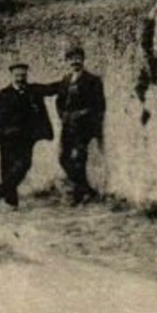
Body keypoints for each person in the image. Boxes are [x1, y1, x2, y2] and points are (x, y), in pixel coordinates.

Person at [0, 61, 53, 211]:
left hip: (26, 138)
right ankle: (11, 202)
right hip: (8, 138)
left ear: (26, 75)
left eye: (23, 75)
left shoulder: (33, 90)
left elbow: (52, 89)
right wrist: (2, 130)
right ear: (12, 76)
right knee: (7, 168)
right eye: (17, 75)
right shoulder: (4, 94)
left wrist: (68, 80)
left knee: (24, 165)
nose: (20, 78)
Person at [53, 45, 106, 205]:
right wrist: (63, 115)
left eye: (78, 58)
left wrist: (86, 117)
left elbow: (99, 105)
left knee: (79, 159)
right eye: (71, 59)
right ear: (67, 61)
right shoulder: (66, 80)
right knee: (63, 158)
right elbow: (59, 101)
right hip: (68, 125)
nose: (75, 62)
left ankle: (78, 195)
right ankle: (86, 189)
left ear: (83, 59)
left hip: (84, 126)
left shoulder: (93, 80)